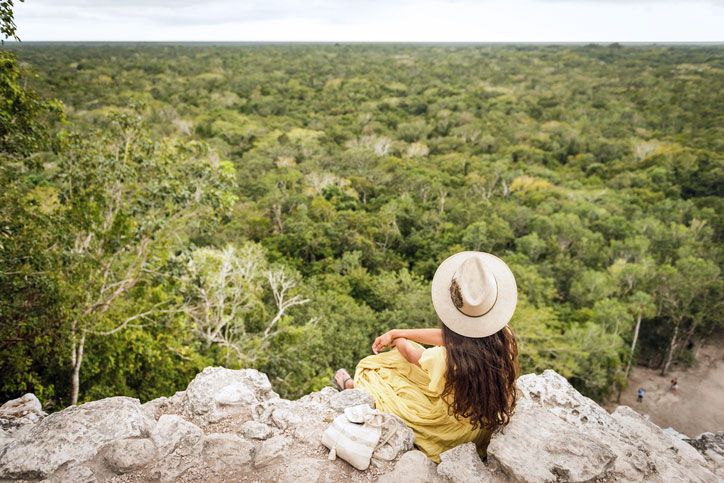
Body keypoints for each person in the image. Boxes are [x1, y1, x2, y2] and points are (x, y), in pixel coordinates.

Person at [333, 251, 520, 463]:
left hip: (450, 428)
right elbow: (458, 340)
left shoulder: (446, 359)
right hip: (481, 421)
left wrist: (398, 340)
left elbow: (412, 354)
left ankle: (354, 388)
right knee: (411, 354)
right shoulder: (504, 337)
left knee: (374, 369)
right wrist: (399, 332)